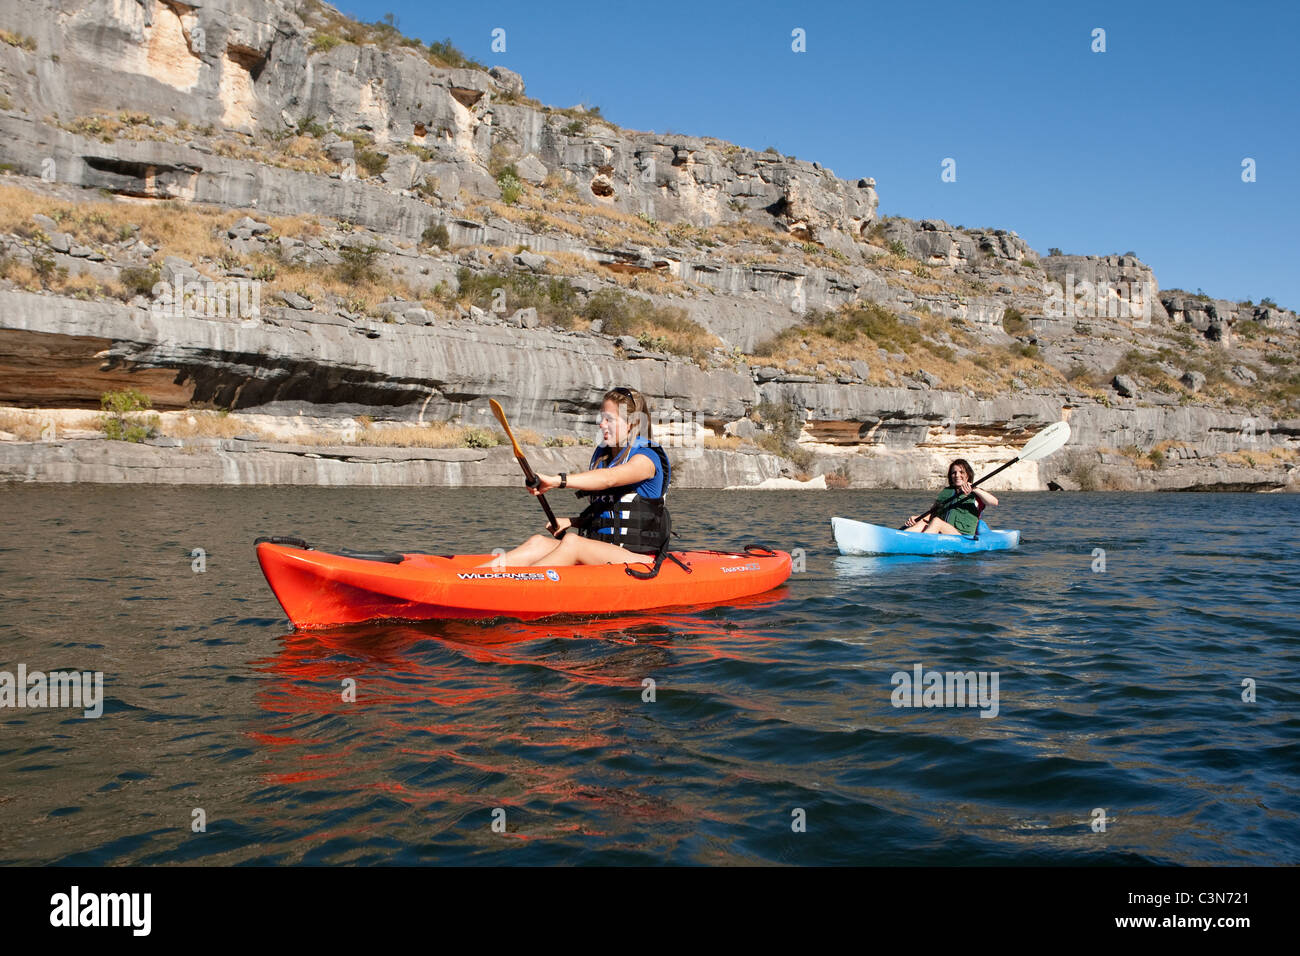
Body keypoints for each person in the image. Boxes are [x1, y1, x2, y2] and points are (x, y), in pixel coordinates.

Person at [482, 386, 672, 567]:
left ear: (632, 424)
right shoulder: (604, 457)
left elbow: (609, 479)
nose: (601, 424)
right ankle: (474, 577)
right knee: (537, 543)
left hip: (638, 558)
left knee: (573, 543)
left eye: (609, 419)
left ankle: (516, 589)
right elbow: (606, 512)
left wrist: (557, 481)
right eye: (601, 418)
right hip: (602, 552)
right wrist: (572, 522)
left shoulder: (646, 458)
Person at [903, 459, 998, 535]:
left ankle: (922, 545)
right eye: (954, 473)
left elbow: (994, 502)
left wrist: (974, 489)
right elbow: (933, 514)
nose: (957, 475)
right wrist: (918, 518)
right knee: (922, 524)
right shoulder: (946, 492)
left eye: (961, 472)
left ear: (968, 475)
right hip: (942, 531)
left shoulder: (976, 494)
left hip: (962, 536)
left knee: (937, 522)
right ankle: (901, 538)